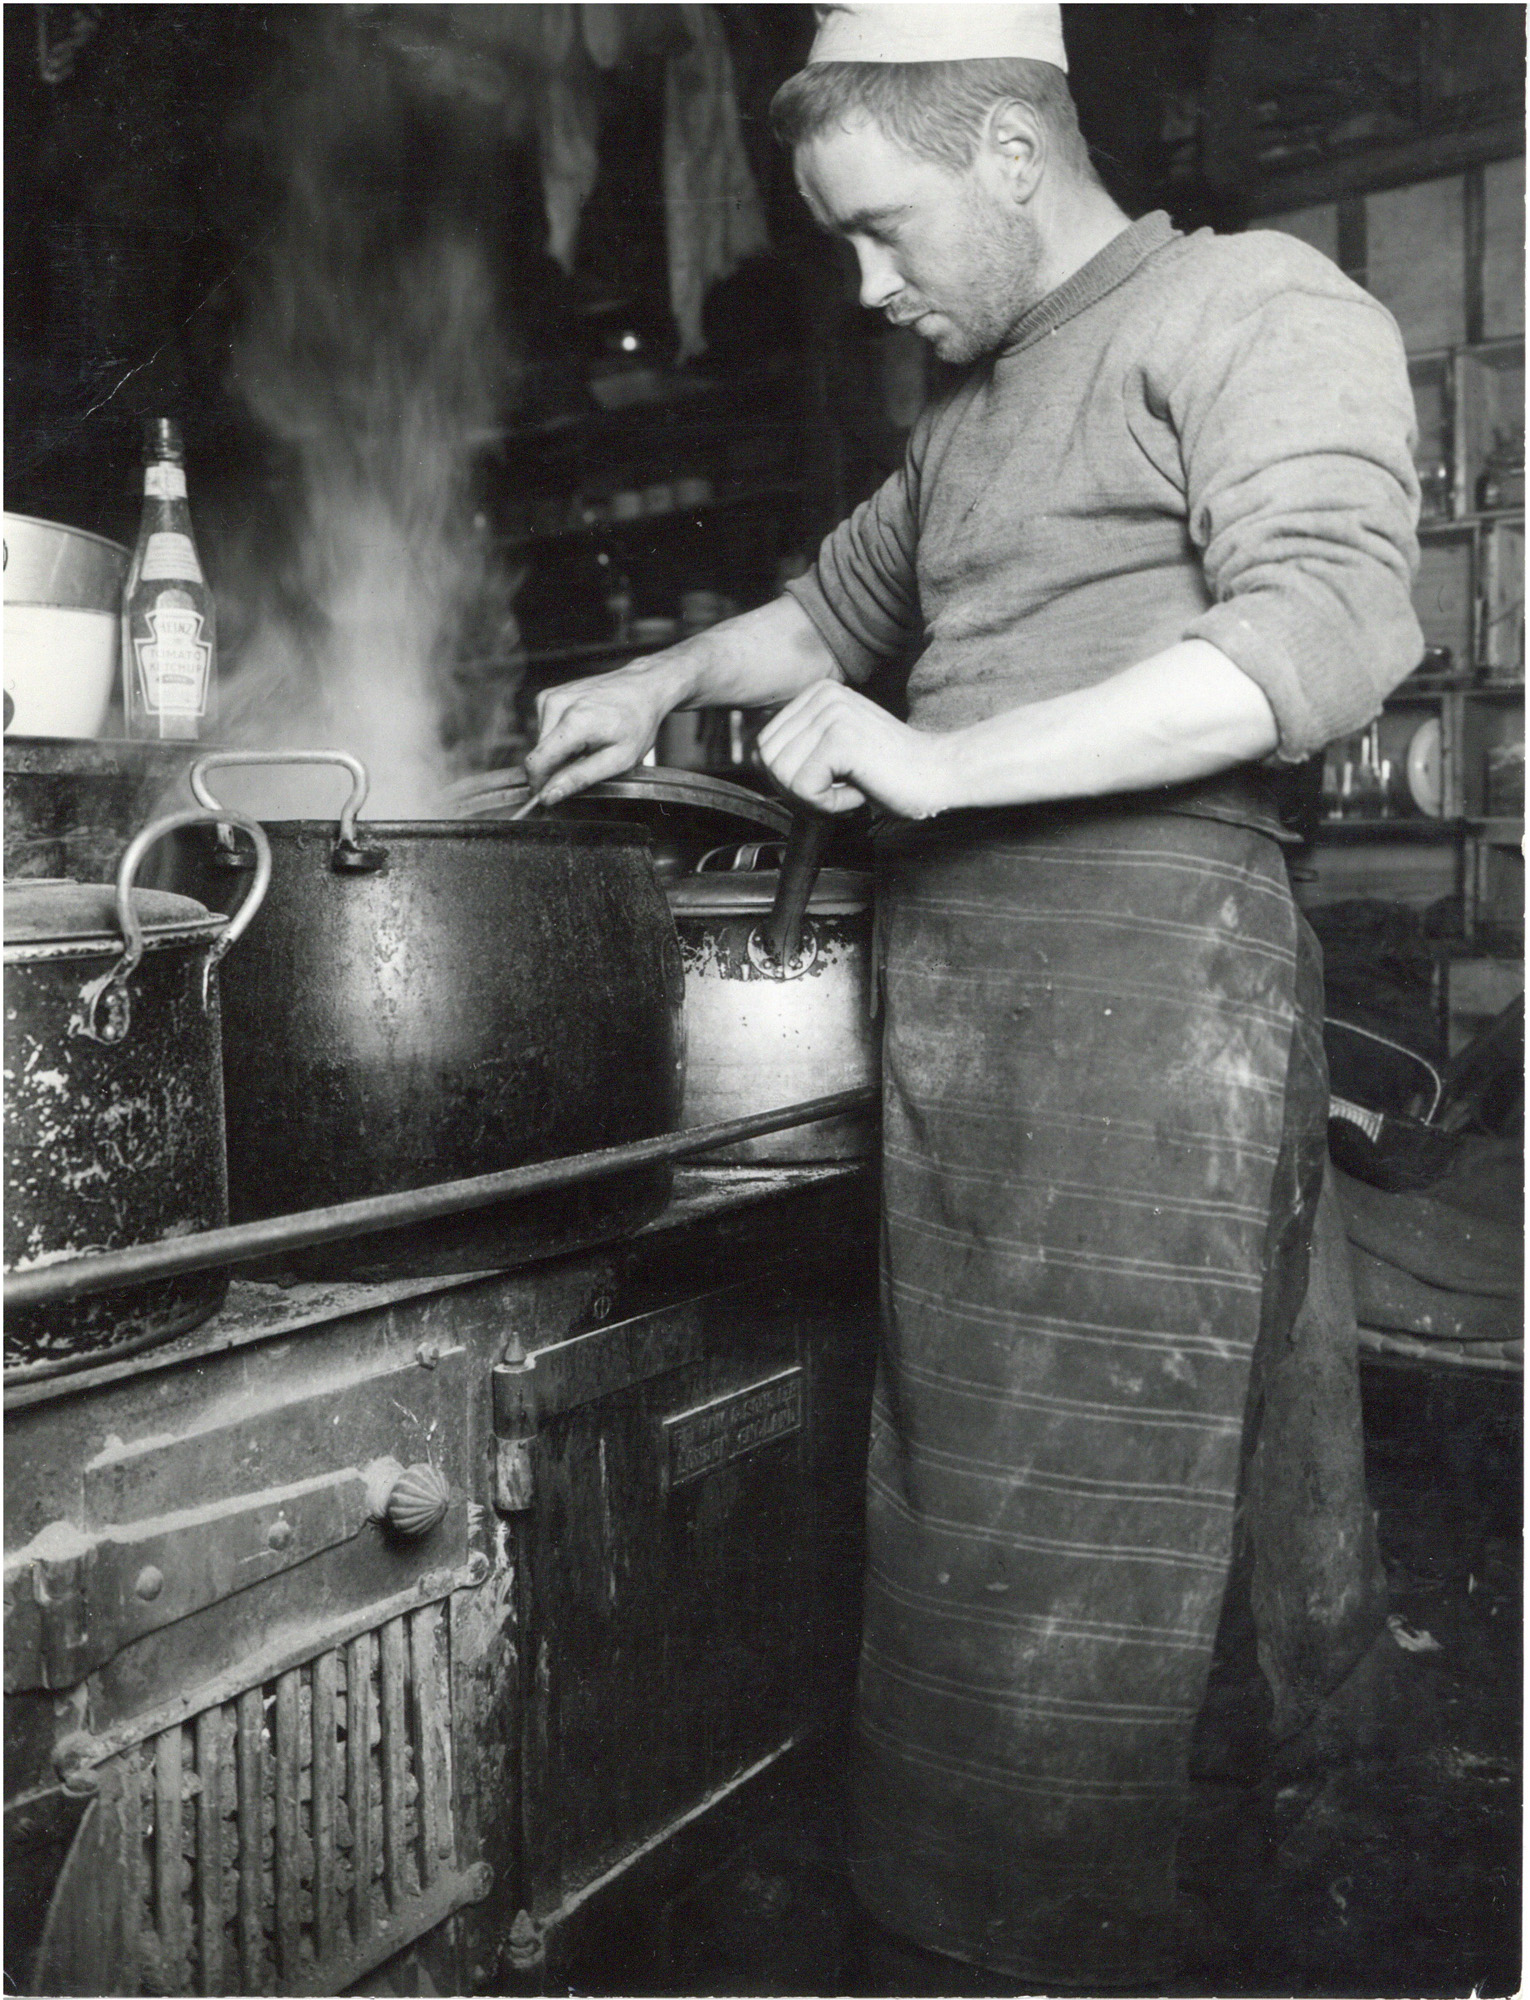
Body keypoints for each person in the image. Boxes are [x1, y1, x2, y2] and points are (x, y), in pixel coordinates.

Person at [526, 6, 1424, 1986]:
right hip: (972, 1042)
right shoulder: (974, 419)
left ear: (1014, 155)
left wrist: (946, 766)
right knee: (1047, 1530)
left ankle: (1026, 1944)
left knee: (1062, 1578)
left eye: (878, 227)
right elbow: (829, 614)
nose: (860, 280)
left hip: (1147, 1020)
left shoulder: (1254, 309)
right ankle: (1203, 1891)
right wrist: (662, 680)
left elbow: (1332, 625)